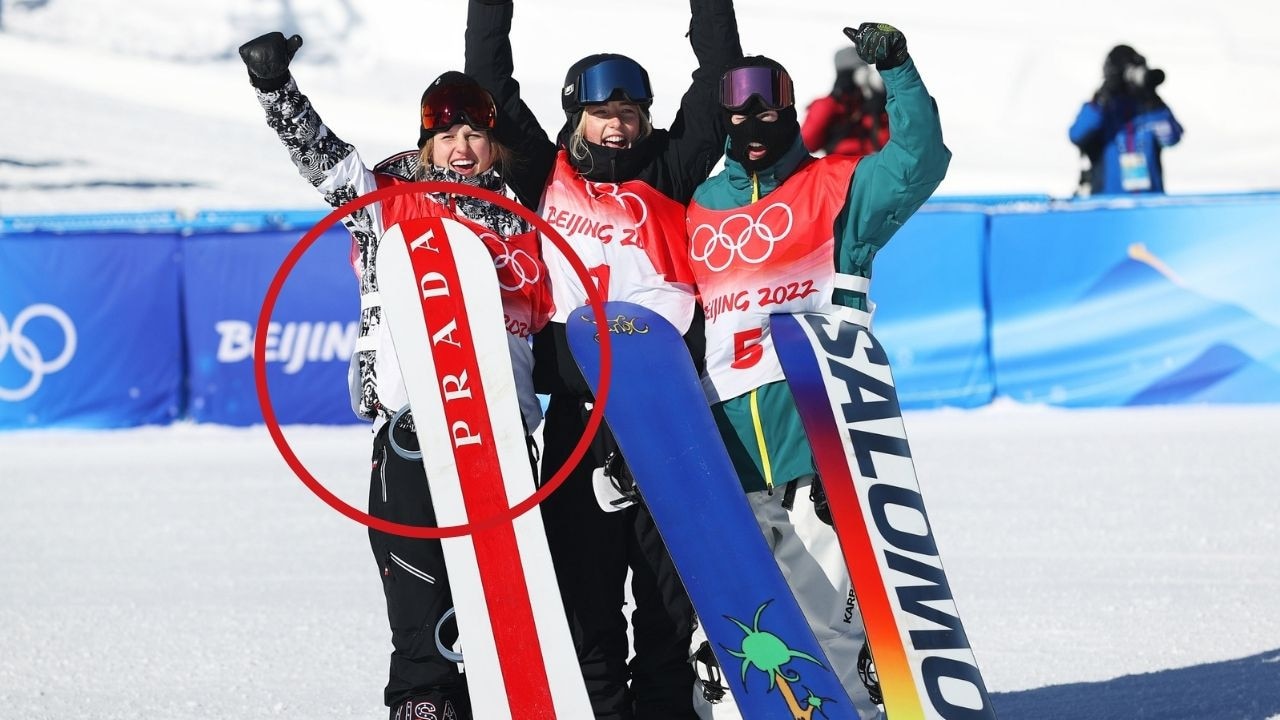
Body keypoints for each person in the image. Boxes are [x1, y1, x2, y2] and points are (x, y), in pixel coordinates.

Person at [238, 31, 553, 720]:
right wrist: (275, 89)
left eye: (475, 133)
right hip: (416, 431)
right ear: (426, 145)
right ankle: (423, 705)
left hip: (501, 436)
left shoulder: (527, 218)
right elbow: (321, 159)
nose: (462, 147)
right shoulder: (386, 201)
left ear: (494, 144)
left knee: (505, 605)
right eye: (447, 135)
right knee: (422, 605)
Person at [464, 1, 741, 718]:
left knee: (664, 599)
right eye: (604, 110)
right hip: (581, 422)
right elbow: (488, 78)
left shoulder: (671, 168)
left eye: (631, 110)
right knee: (585, 597)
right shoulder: (542, 174)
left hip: (663, 417)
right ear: (575, 116)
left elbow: (717, 79)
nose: (619, 122)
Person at [684, 22, 950, 719]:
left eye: (768, 109)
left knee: (834, 630)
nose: (753, 123)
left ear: (792, 111)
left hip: (817, 441)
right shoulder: (700, 208)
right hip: (727, 449)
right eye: (738, 114)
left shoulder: (835, 188)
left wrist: (898, 72)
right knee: (727, 641)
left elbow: (921, 160)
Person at [1070, 43, 1183, 195]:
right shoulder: (1102, 109)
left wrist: (1153, 101)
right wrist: (1103, 96)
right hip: (1109, 202)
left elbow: (1171, 137)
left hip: (1149, 201)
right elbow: (1077, 134)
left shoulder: (1150, 108)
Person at [800, 46, 889, 157]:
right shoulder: (829, 105)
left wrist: (884, 109)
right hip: (841, 170)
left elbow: (888, 143)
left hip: (870, 167)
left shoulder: (869, 106)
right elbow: (807, 144)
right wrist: (828, 108)